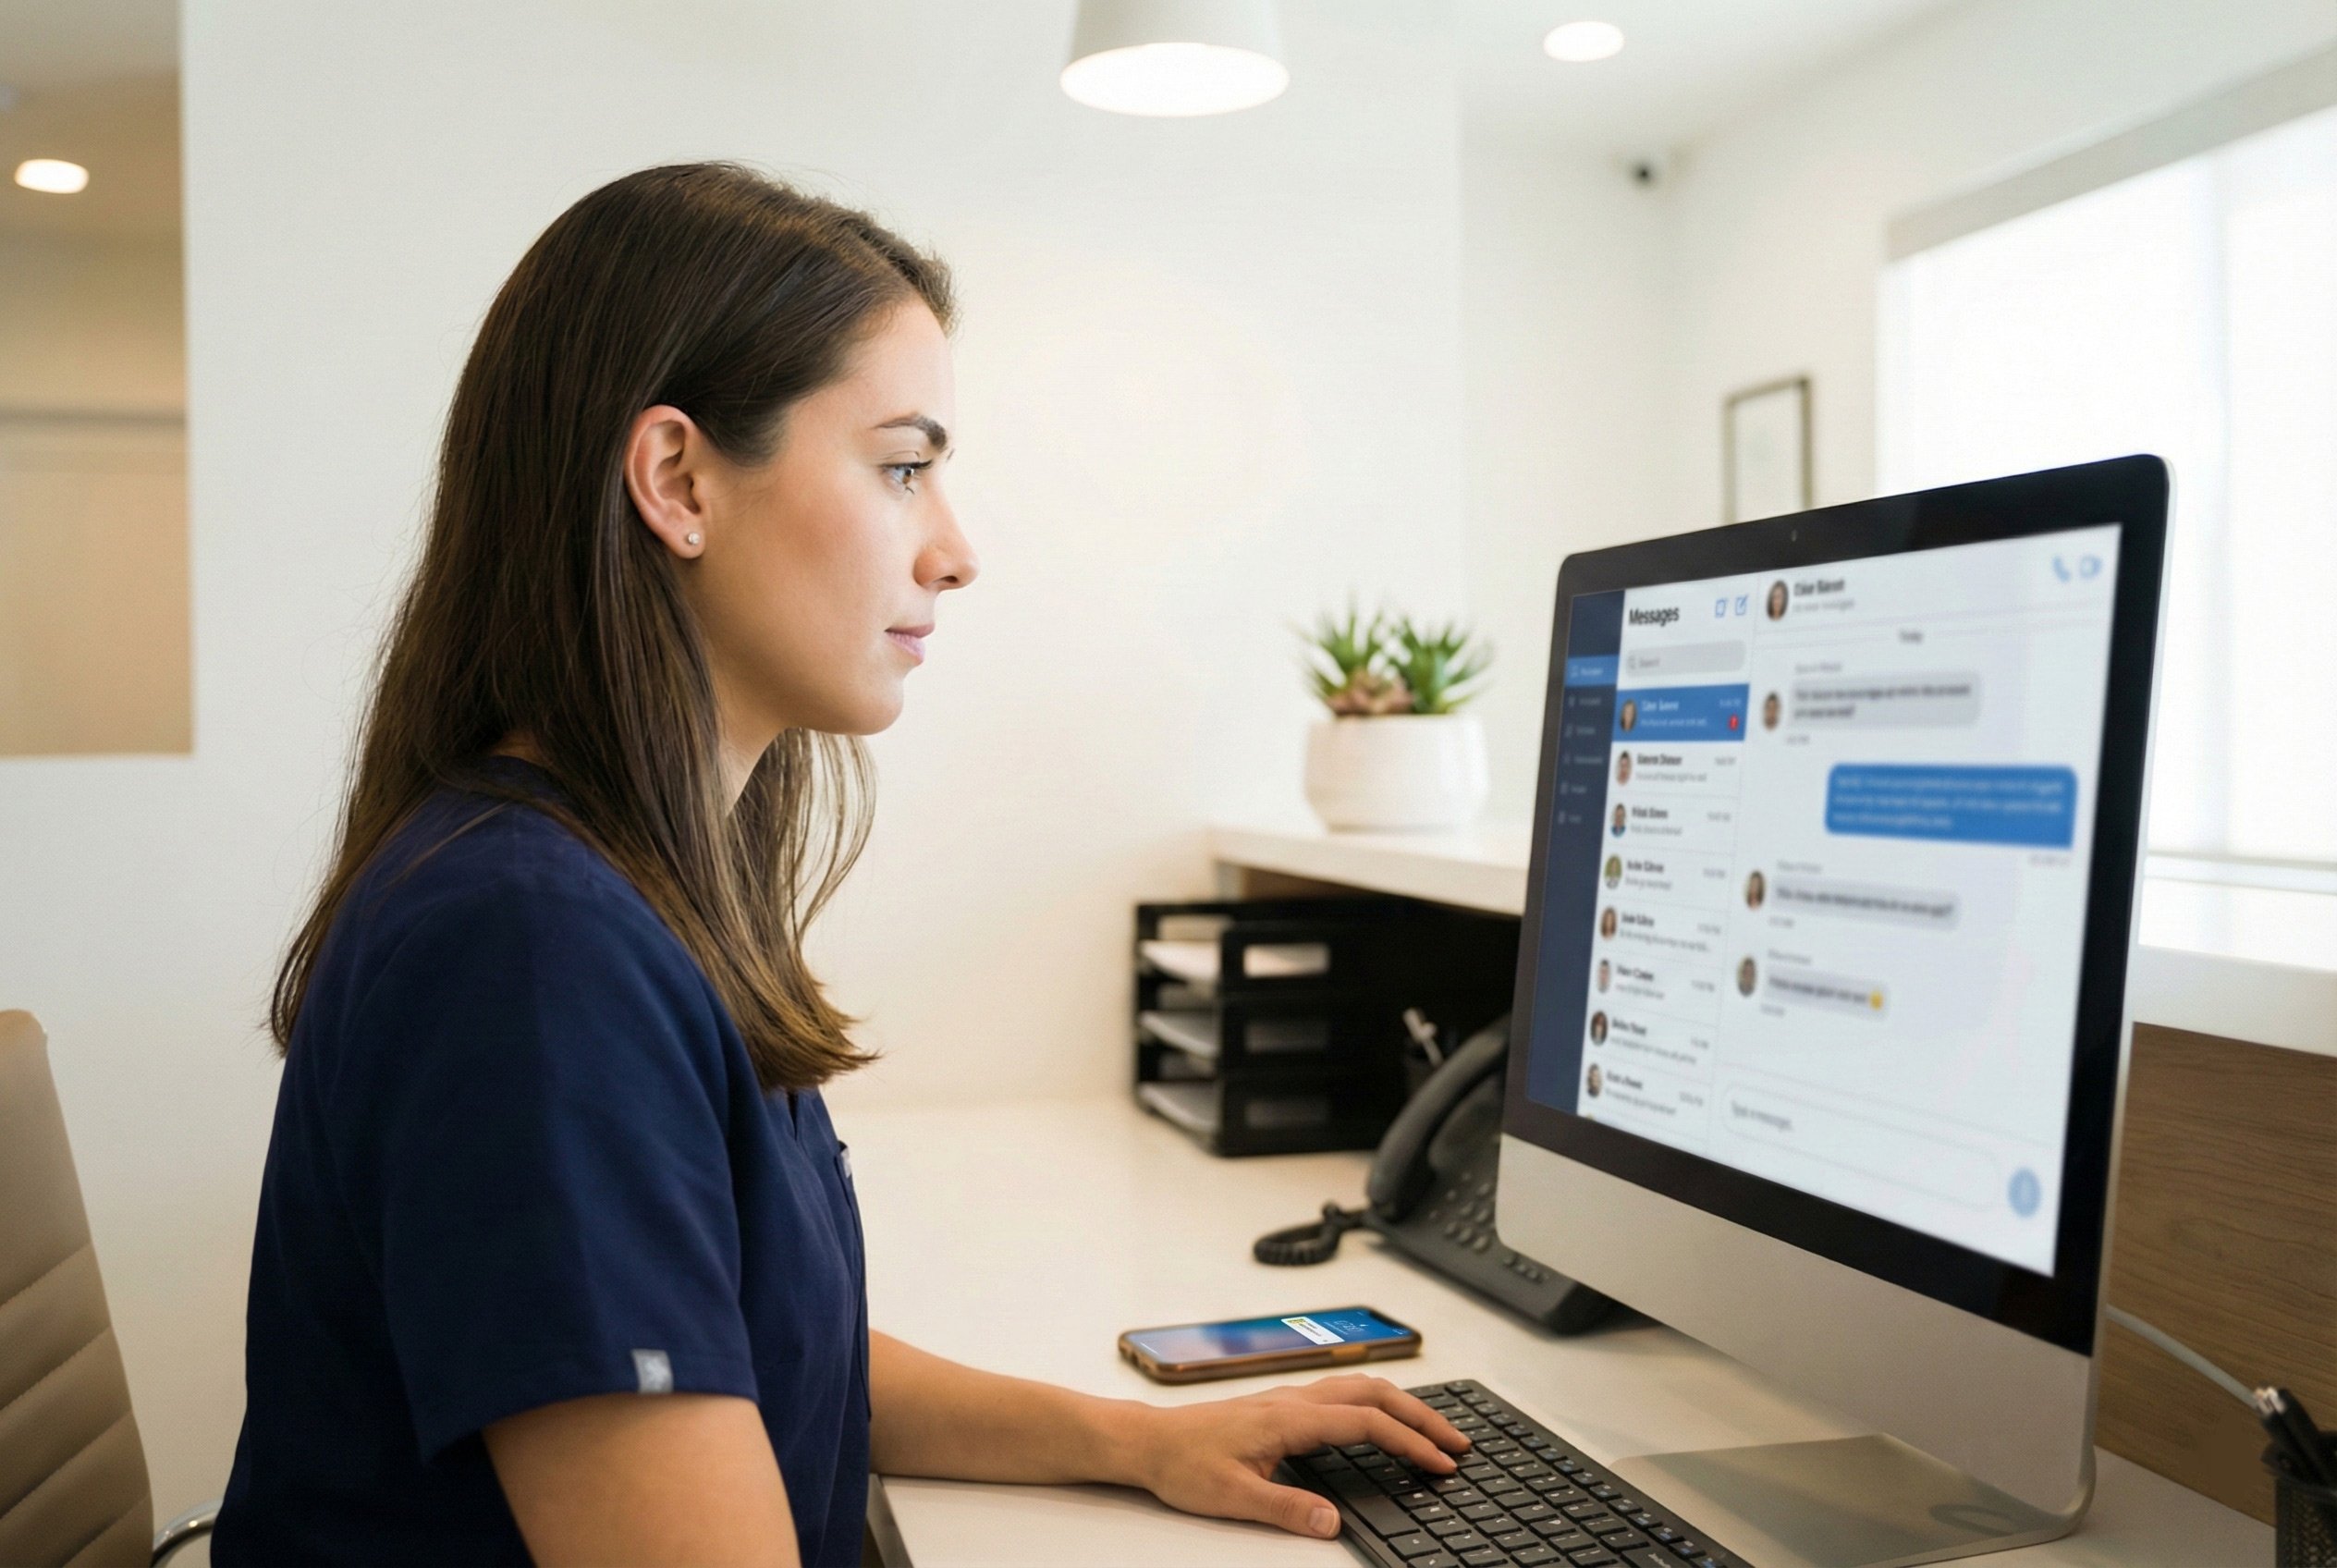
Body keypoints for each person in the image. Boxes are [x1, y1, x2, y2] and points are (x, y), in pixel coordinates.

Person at [211, 165, 1467, 1568]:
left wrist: (1138, 1440)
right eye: (904, 466)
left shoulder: (623, 887)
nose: (957, 550)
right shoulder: (531, 950)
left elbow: (756, 1349)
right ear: (678, 482)